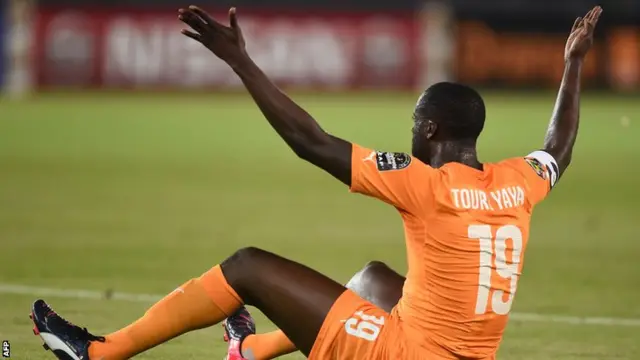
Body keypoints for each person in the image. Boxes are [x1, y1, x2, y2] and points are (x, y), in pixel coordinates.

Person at [29, 5, 601, 360]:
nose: (410, 136)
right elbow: (559, 148)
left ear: (430, 129)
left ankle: (100, 352)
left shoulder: (428, 186)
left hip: (406, 357)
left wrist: (241, 64)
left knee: (248, 265)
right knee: (376, 280)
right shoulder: (518, 182)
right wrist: (572, 63)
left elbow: (312, 142)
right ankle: (248, 351)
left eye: (413, 126)